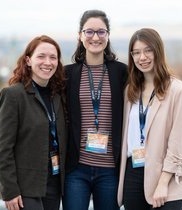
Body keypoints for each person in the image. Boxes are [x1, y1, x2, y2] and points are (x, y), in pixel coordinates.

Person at [117, 28, 182, 210]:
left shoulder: (179, 91)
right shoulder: (130, 91)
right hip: (133, 174)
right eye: (136, 53)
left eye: (147, 50)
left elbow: (178, 145)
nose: (142, 57)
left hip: (166, 177)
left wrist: (162, 183)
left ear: (158, 51)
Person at [62, 9, 127, 210]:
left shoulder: (121, 72)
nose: (95, 37)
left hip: (110, 170)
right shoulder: (68, 74)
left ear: (108, 36)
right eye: (89, 32)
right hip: (76, 169)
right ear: (80, 36)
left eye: (101, 32)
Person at [0, 35, 67, 210]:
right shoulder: (13, 95)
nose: (47, 62)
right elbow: (3, 148)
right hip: (25, 187)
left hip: (54, 183)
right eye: (41, 56)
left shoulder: (57, 95)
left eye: (53, 57)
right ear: (28, 60)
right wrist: (9, 190)